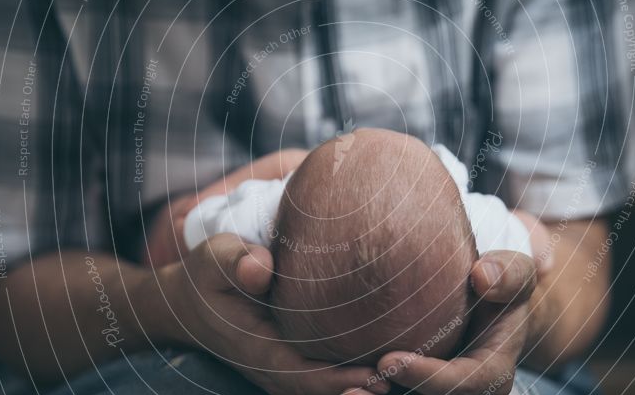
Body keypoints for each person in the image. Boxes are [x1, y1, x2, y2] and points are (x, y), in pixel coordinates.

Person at [0, 0, 635, 395]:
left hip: (489, 378)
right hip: (140, 363)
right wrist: (161, 304)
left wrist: (515, 317)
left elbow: (567, 266)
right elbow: (6, 296)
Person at [169, 128, 533, 365]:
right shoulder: (479, 222)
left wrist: (279, 165)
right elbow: (533, 243)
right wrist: (523, 226)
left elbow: (188, 223)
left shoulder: (263, 214)